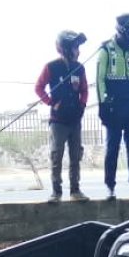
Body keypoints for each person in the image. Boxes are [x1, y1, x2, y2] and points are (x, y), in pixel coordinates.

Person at [97, 13, 129, 200]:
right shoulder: (106, 50)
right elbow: (100, 79)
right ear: (122, 30)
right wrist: (102, 104)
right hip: (114, 105)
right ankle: (110, 187)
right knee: (112, 148)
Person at [36, 30, 90, 204]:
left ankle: (75, 190)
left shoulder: (79, 68)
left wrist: (82, 106)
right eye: (75, 47)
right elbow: (39, 88)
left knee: (75, 157)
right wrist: (52, 102)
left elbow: (84, 90)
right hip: (58, 122)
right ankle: (56, 192)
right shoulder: (51, 67)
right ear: (66, 48)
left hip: (75, 120)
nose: (78, 51)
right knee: (56, 156)